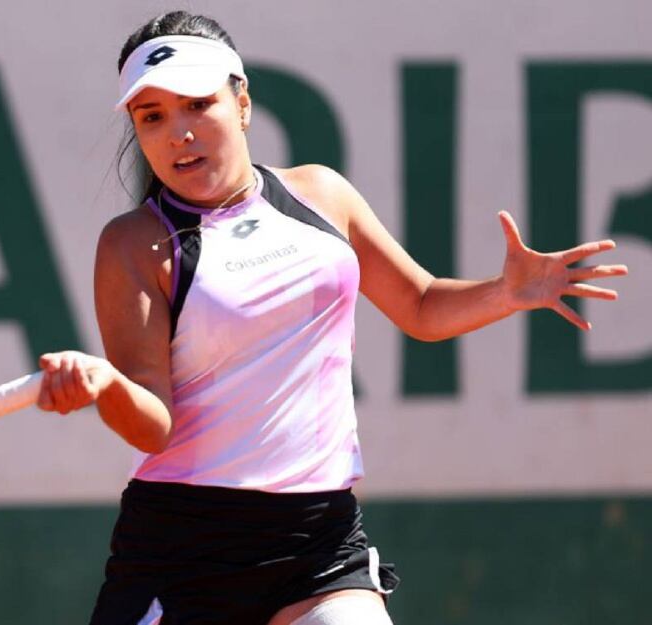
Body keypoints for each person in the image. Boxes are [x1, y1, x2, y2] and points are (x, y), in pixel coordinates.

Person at [35, 11, 628, 625]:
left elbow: (421, 305)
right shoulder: (134, 244)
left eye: (197, 104)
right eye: (152, 117)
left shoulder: (322, 195)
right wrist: (106, 385)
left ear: (242, 103)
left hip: (319, 541)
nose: (178, 133)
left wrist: (507, 291)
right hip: (182, 549)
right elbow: (152, 426)